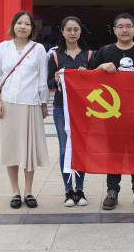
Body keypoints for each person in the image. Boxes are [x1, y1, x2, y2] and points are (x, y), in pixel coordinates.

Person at [89, 12, 134, 210]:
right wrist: (101, 66)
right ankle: (112, 190)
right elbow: (88, 77)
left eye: (128, 26)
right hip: (112, 113)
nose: (124, 30)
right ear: (114, 30)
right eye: (120, 26)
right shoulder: (105, 51)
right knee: (114, 152)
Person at [0, 11, 50, 209]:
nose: (23, 27)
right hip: (8, 104)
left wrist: (43, 103)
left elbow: (42, 80)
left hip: (31, 104)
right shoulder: (2, 48)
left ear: (32, 28)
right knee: (11, 149)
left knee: (29, 150)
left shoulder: (38, 49)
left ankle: (29, 191)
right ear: (13, 25)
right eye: (19, 23)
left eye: (27, 24)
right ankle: (15, 191)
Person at [47, 16, 93, 207]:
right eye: (69, 29)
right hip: (61, 108)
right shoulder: (55, 56)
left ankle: (80, 189)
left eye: (76, 29)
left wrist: (87, 76)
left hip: (84, 109)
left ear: (80, 32)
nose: (72, 33)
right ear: (63, 32)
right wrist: (57, 79)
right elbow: (48, 83)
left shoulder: (89, 55)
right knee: (64, 148)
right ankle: (68, 190)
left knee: (80, 147)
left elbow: (98, 81)